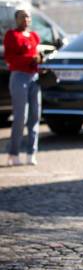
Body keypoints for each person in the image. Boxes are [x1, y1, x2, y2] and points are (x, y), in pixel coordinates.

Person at [4, 9, 42, 166]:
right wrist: (29, 59)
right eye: (22, 17)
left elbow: (37, 54)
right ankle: (14, 152)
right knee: (21, 117)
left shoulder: (34, 36)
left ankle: (31, 152)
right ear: (16, 19)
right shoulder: (12, 35)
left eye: (28, 17)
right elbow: (10, 58)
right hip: (19, 76)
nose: (26, 19)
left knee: (35, 116)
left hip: (34, 77)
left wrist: (39, 59)